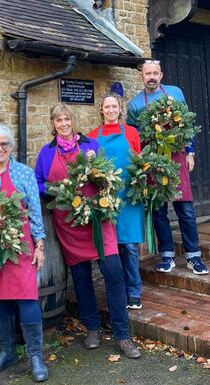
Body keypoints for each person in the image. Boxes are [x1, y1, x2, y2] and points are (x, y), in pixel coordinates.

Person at [35, 103, 141, 359]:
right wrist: (54, 190)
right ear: (53, 124)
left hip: (97, 219)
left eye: (67, 119)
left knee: (114, 275)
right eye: (58, 120)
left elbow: (105, 175)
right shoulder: (47, 153)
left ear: (73, 121)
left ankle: (122, 335)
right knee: (81, 280)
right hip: (69, 224)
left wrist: (101, 181)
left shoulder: (90, 146)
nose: (63, 124)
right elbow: (38, 182)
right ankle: (92, 328)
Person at [0, 124, 48, 382]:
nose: (0, 149)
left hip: (20, 247)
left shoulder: (24, 173)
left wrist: (40, 246)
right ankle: (7, 352)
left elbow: (35, 212)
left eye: (4, 144)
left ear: (11, 146)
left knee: (27, 299)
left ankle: (35, 355)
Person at [127, 60, 208, 275]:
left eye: (155, 73)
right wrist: (139, 160)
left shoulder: (175, 93)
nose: (151, 77)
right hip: (152, 159)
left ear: (161, 75)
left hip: (177, 155)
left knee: (186, 209)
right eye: (147, 74)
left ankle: (193, 257)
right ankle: (167, 256)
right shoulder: (135, 104)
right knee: (159, 210)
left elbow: (187, 124)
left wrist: (190, 151)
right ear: (141, 77)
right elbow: (134, 135)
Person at [88, 92, 145, 310]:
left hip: (129, 197)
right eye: (107, 107)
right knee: (108, 248)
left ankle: (134, 290)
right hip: (106, 197)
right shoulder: (93, 136)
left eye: (114, 107)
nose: (111, 110)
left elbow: (139, 162)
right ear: (101, 110)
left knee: (130, 246)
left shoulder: (131, 133)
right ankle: (116, 289)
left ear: (120, 109)